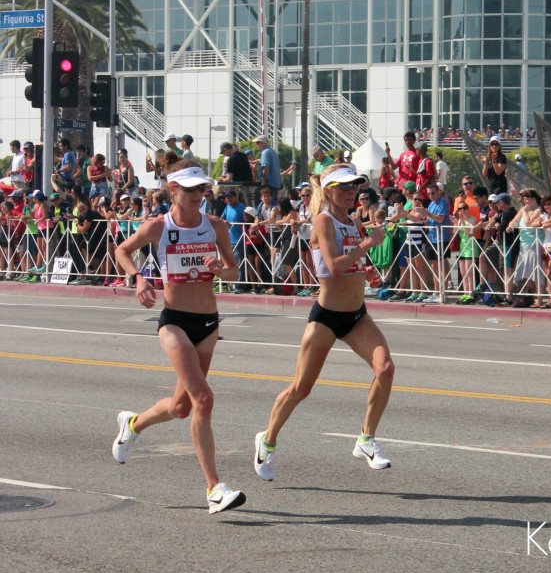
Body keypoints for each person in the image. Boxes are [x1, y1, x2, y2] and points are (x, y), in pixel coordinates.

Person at [113, 160, 245, 515]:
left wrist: (223, 268)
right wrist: (138, 278)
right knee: (203, 399)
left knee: (181, 406)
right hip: (173, 322)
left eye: (201, 189)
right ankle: (214, 488)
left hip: (208, 323)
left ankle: (134, 423)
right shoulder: (159, 226)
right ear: (173, 190)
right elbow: (121, 250)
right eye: (189, 190)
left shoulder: (215, 225)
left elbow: (233, 268)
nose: (197, 196)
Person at [253, 163, 395, 479]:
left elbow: (354, 261)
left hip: (357, 316)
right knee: (301, 389)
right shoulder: (322, 220)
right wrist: (368, 245)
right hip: (327, 317)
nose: (351, 192)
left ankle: (366, 439)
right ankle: (268, 440)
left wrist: (367, 268)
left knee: (385, 369)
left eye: (354, 186)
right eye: (344, 187)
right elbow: (332, 265)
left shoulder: (353, 221)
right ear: (329, 190)